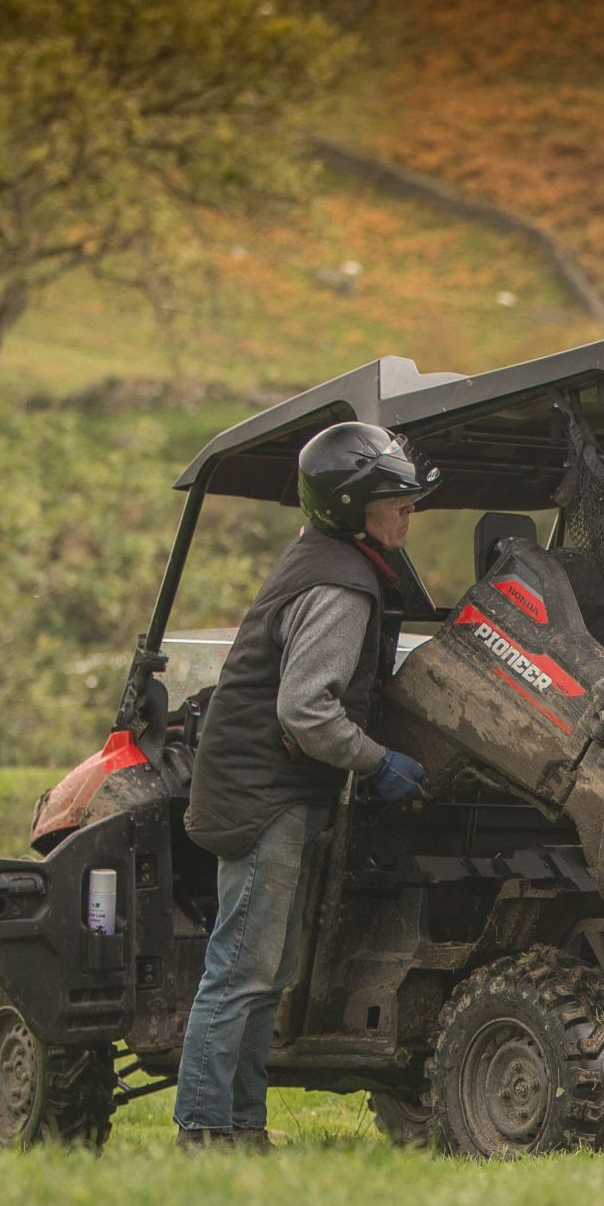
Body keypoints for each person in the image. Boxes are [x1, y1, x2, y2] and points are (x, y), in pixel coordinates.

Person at [174, 422, 436, 1151]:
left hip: (268, 787)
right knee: (241, 970)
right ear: (353, 507)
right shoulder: (340, 586)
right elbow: (306, 710)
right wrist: (376, 761)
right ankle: (203, 1131)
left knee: (267, 970)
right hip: (267, 796)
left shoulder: (327, 558)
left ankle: (242, 1128)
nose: (409, 513)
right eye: (397, 502)